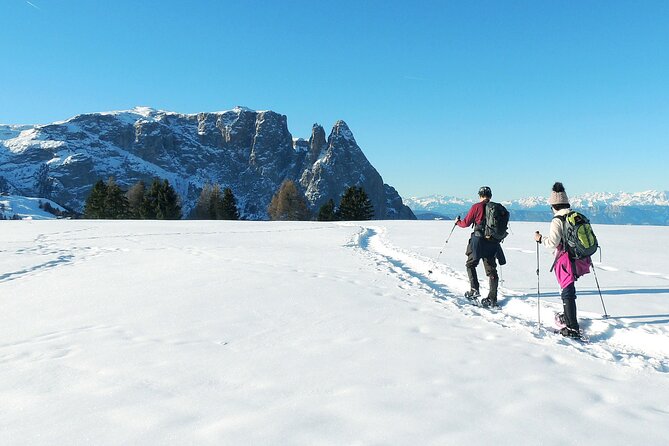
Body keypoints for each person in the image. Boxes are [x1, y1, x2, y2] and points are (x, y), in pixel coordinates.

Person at [534, 182, 582, 338]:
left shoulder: (557, 219)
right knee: (568, 289)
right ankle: (568, 317)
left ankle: (572, 328)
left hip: (565, 258)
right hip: (579, 257)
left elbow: (552, 243)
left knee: (567, 291)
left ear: (553, 205)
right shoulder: (575, 215)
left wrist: (540, 239)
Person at [456, 186, 505, 307]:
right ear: (490, 196)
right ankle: (492, 298)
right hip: (493, 242)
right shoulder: (497, 208)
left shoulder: (476, 207)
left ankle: (474, 290)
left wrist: (457, 222)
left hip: (478, 241)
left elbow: (466, 223)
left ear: (479, 195)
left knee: (471, 264)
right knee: (491, 270)